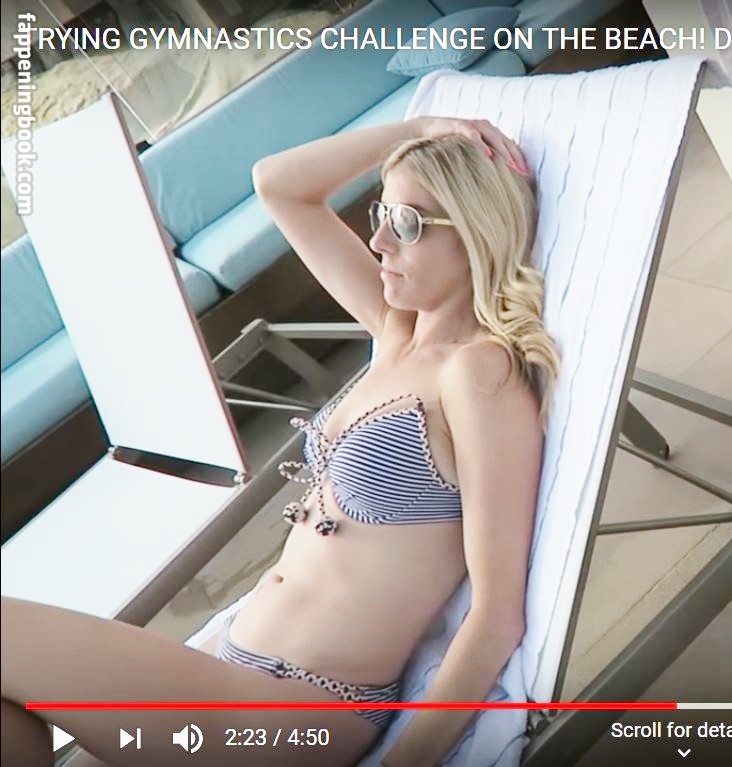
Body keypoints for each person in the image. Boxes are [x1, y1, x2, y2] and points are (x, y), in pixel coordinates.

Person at [0, 116, 559, 767]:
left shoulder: (477, 372)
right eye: (380, 213)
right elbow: (279, 185)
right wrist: (419, 129)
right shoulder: (394, 334)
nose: (377, 241)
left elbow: (496, 613)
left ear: (474, 232)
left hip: (299, 712)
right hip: (228, 666)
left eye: (406, 224)